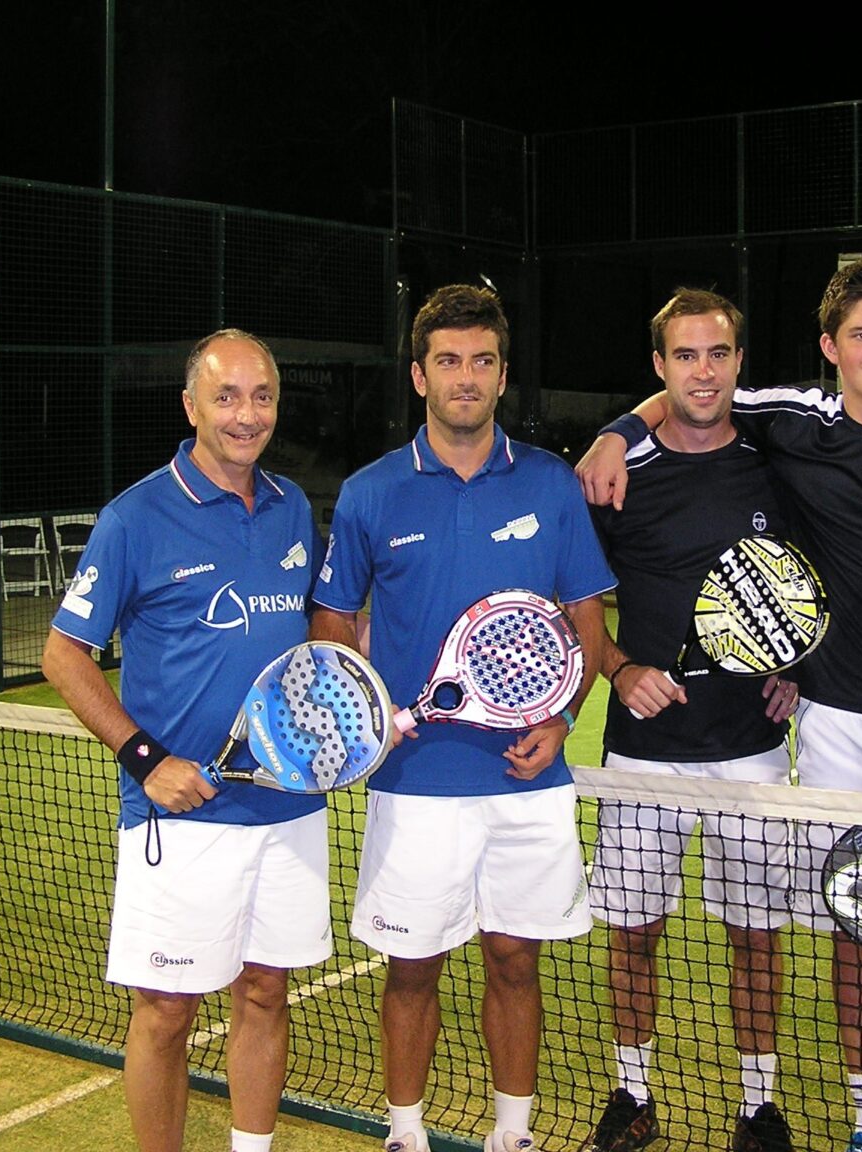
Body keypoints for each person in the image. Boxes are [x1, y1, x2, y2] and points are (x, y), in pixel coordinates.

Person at [577, 260, 862, 1152]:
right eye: (860, 334)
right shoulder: (795, 420)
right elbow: (689, 394)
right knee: (858, 944)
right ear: (830, 346)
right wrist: (613, 432)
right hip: (836, 735)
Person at [309, 284, 615, 1152]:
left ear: (503, 375)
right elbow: (332, 619)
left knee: (516, 960)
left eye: (482, 361)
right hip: (414, 782)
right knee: (412, 968)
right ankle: (405, 1134)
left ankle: (511, 1135)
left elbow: (587, 622)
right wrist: (363, 706)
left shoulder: (550, 485)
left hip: (528, 780)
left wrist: (564, 718)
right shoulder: (370, 494)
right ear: (420, 376)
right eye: (448, 361)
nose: (466, 377)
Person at [42, 330, 330, 1152]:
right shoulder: (135, 517)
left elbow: (315, 637)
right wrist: (146, 760)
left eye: (262, 396)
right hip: (182, 815)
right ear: (191, 406)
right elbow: (63, 654)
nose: (247, 415)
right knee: (167, 1012)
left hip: (287, 805)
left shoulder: (292, 508)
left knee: (266, 991)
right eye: (226, 396)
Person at [583, 289, 799, 1152]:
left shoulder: (776, 462)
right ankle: (632, 1094)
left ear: (739, 362)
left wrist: (797, 666)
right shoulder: (619, 474)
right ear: (659, 366)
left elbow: (815, 580)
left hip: (751, 748)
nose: (702, 372)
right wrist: (619, 668)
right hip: (644, 753)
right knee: (633, 935)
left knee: (757, 938)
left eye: (717, 354)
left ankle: (759, 1108)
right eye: (684, 355)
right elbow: (574, 598)